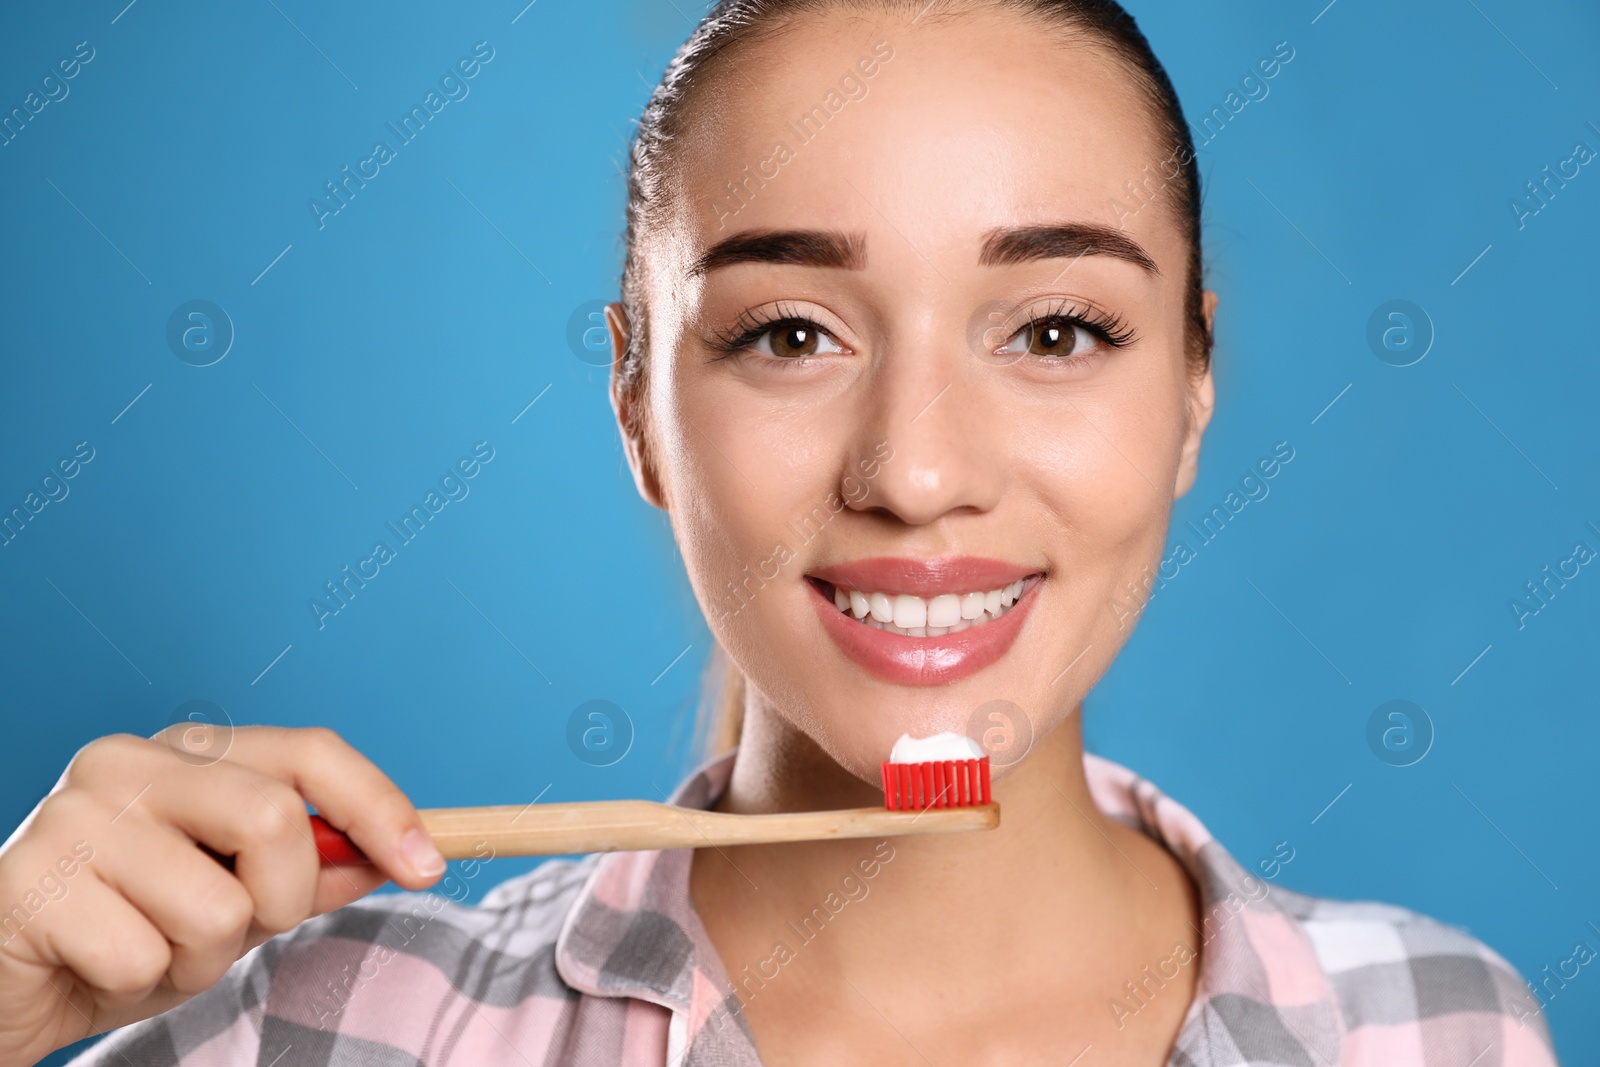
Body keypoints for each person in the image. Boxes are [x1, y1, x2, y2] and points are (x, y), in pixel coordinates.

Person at [0, 1, 1559, 1064]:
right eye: (792, 335)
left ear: (1196, 388)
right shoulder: (341, 1034)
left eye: (1060, 331)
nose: (918, 472)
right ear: (634, 404)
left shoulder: (1434, 1028)